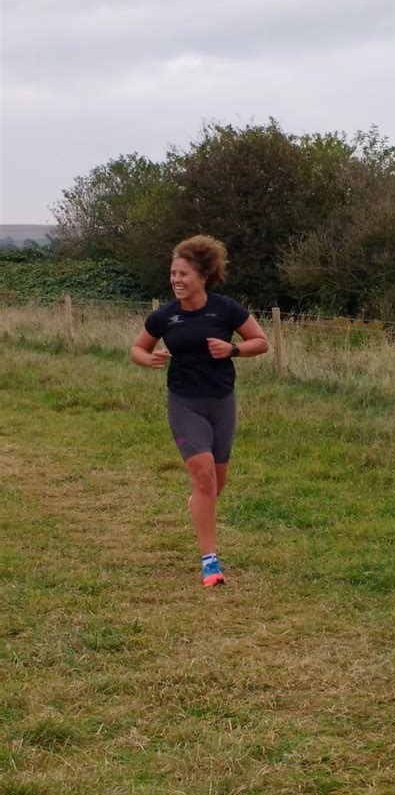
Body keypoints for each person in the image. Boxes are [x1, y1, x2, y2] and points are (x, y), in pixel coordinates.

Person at [131, 235, 269, 587]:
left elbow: (261, 341)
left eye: (184, 274)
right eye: (173, 274)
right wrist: (150, 359)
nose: (176, 280)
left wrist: (233, 350)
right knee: (204, 474)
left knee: (215, 483)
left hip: (221, 402)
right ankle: (210, 562)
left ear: (203, 276)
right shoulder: (165, 316)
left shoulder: (225, 309)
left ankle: (199, 505)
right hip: (184, 403)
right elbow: (138, 349)